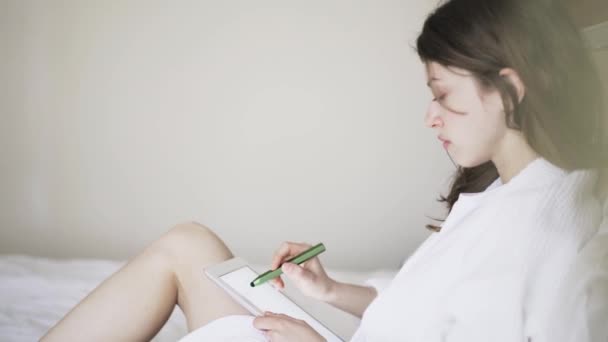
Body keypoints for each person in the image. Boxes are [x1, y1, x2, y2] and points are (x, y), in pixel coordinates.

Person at [42, 0, 607, 341]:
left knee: (184, 248)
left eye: (444, 95)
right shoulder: (509, 194)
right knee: (190, 244)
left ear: (509, 87)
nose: (430, 117)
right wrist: (332, 291)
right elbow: (432, 316)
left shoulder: (549, 229)